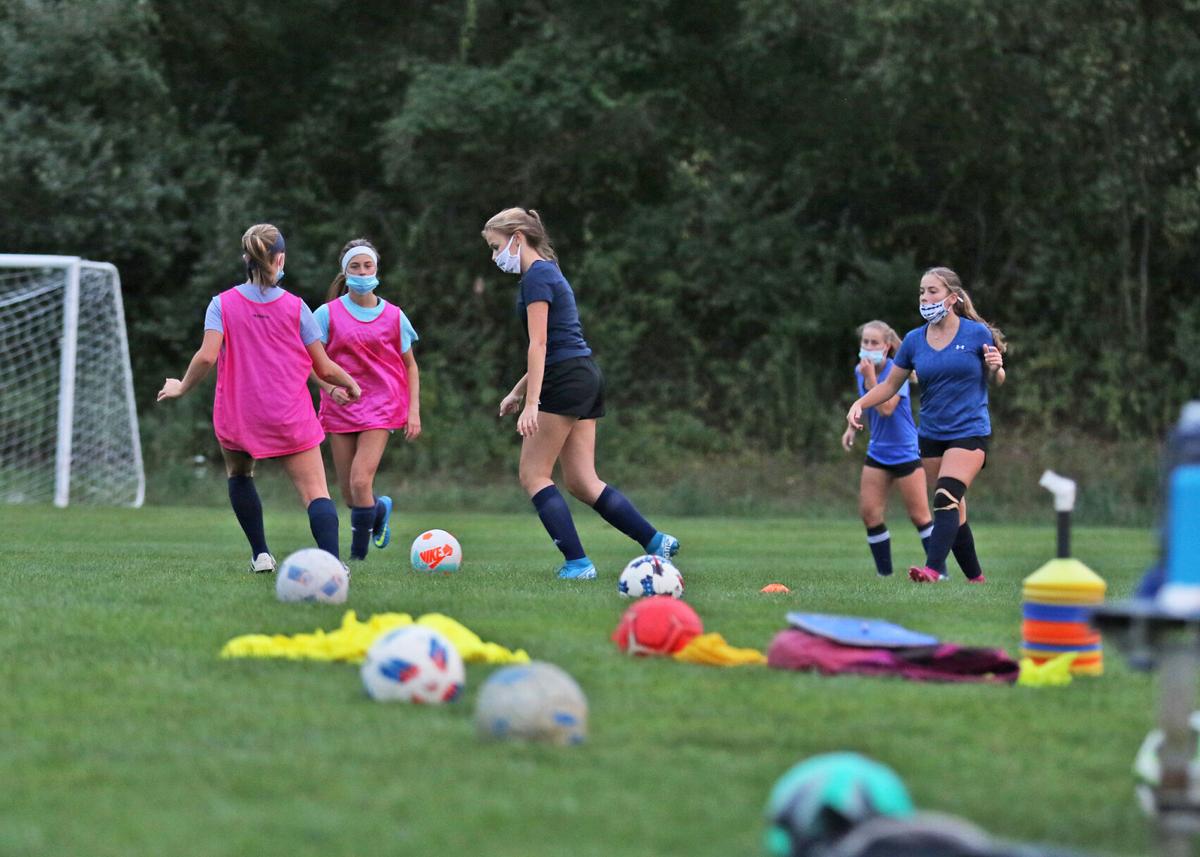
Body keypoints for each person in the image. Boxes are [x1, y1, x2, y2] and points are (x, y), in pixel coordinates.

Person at [481, 207, 679, 580]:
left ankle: (578, 564)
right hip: (584, 374)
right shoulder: (549, 271)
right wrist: (517, 392)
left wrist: (533, 404)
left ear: (517, 238)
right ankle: (656, 542)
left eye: (495, 247)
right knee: (582, 482)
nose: (495, 257)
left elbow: (538, 345)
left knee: (534, 475)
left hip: (564, 380)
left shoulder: (535, 278)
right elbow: (558, 344)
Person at [157, 224, 361, 571]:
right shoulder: (297, 308)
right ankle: (333, 565)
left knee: (239, 475)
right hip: (289, 415)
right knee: (315, 492)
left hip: (239, 414)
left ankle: (261, 555)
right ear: (279, 259)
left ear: (245, 259)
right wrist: (351, 384)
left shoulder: (221, 304)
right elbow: (324, 366)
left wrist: (182, 386)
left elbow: (207, 357)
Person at [846, 267, 1006, 584]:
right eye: (922, 291)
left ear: (952, 297)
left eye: (932, 291)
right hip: (931, 435)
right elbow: (890, 386)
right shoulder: (914, 341)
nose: (925, 297)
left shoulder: (976, 333)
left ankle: (931, 569)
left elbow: (996, 378)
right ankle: (976, 579)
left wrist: (997, 369)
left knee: (944, 497)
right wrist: (860, 404)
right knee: (954, 510)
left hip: (970, 432)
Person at [310, 238, 421, 562]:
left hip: (382, 407)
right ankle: (380, 508)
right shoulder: (325, 315)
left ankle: (357, 560)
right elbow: (305, 362)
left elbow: (411, 366)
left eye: (367, 265)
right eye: (355, 267)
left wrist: (413, 411)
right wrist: (329, 388)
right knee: (350, 494)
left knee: (361, 481)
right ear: (345, 272)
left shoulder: (395, 317)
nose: (362, 272)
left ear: (376, 268)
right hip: (340, 407)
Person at [841, 320, 935, 578]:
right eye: (865, 342)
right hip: (878, 452)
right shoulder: (860, 371)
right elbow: (867, 406)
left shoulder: (896, 370)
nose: (868, 347)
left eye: (874, 343)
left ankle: (939, 571)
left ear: (887, 347)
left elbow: (886, 407)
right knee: (870, 514)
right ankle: (885, 576)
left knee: (920, 516)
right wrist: (851, 427)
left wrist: (872, 379)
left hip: (906, 452)